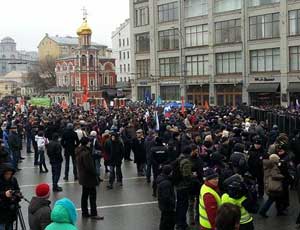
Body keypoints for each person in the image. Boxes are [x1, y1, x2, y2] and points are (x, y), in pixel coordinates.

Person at [76, 137, 104, 220]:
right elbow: (89, 167)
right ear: (86, 143)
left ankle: (84, 212)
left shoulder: (78, 151)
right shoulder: (86, 153)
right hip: (89, 177)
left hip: (83, 177)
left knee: (84, 195)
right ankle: (94, 213)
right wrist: (96, 174)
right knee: (92, 196)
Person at [0, 163, 20, 230]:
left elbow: (17, 190)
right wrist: (4, 194)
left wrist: (17, 195)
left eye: (10, 173)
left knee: (10, 227)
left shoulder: (13, 180)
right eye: (7, 174)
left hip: (11, 211)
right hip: (1, 212)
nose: (8, 175)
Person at [157, 165, 176, 230]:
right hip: (167, 207)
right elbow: (166, 197)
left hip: (163, 206)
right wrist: (173, 203)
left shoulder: (162, 179)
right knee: (169, 223)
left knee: (164, 221)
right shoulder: (166, 183)